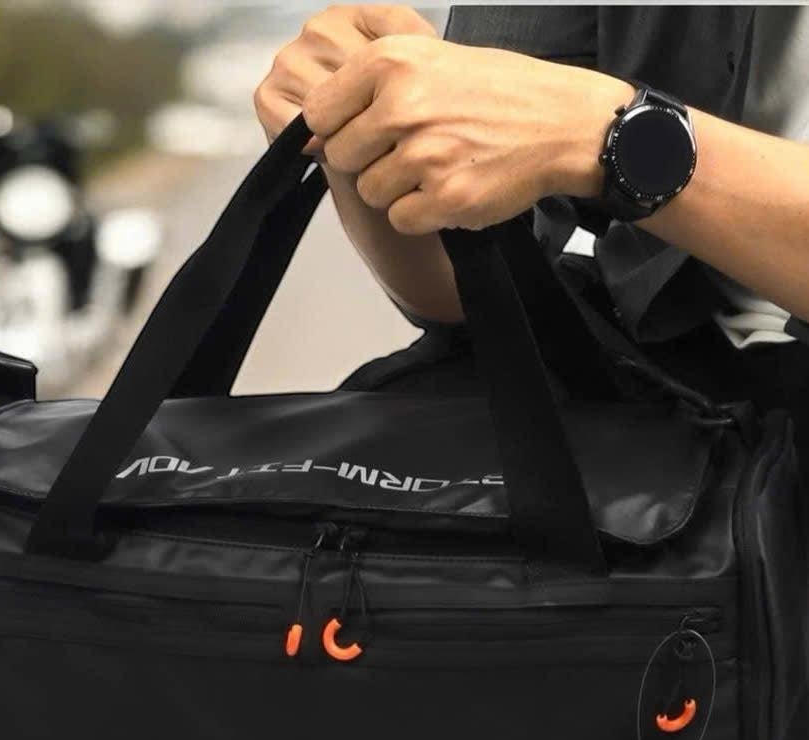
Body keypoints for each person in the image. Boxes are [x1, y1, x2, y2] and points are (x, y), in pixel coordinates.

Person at [253, 5, 809, 463]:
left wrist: (607, 136)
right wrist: (361, 116)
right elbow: (467, 280)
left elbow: (570, 132)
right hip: (665, 391)